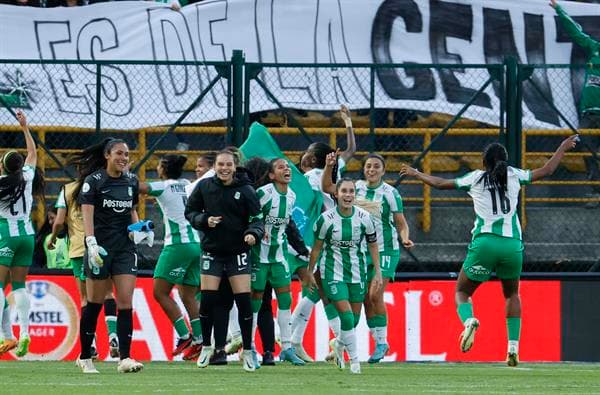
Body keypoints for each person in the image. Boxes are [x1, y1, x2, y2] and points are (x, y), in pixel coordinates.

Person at [400, 135, 578, 367]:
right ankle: (512, 348)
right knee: (512, 294)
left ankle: (469, 321)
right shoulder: (515, 175)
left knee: (462, 292)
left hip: (484, 243)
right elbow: (547, 170)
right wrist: (563, 147)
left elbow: (441, 183)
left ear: (484, 162)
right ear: (505, 161)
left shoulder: (475, 178)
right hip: (511, 244)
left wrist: (417, 174)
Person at [322, 152, 414, 363]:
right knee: (364, 298)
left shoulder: (390, 193)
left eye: (376, 167)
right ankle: (348, 343)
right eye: (368, 166)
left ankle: (381, 342)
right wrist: (329, 167)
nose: (371, 170)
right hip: (362, 252)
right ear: (364, 169)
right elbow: (327, 187)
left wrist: (405, 238)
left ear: (383, 171)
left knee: (374, 294)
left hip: (386, 250)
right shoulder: (356, 188)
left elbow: (401, 222)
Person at [185, 149, 264, 372]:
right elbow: (190, 212)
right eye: (220, 165)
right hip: (212, 251)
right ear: (215, 166)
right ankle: (207, 347)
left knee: (243, 302)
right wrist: (204, 220)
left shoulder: (246, 190)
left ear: (235, 166)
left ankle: (247, 350)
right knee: (208, 301)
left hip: (237, 251)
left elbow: (258, 220)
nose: (224, 168)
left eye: (228, 165)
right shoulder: (204, 186)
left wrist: (253, 234)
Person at [292, 104, 357, 361]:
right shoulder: (333, 169)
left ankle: (291, 338)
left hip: (320, 237)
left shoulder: (312, 177)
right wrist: (348, 123)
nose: (303, 156)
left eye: (307, 153)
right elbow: (351, 149)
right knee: (322, 289)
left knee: (320, 289)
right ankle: (335, 343)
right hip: (330, 237)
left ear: (312, 159)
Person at [75, 138, 144, 374]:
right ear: (107, 155)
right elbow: (87, 215)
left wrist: (139, 231)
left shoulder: (132, 181)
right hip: (100, 249)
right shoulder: (93, 182)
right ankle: (85, 357)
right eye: (119, 153)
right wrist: (91, 243)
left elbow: (132, 210)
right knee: (94, 304)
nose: (124, 158)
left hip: (125, 248)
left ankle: (125, 358)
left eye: (126, 154)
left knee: (125, 301)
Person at [305, 178, 382, 374]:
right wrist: (309, 271)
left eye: (351, 191)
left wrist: (378, 272)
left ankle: (339, 344)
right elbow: (316, 248)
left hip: (357, 273)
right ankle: (355, 362)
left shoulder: (365, 218)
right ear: (336, 194)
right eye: (344, 191)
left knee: (353, 321)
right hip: (332, 272)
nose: (348, 195)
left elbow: (373, 245)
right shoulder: (326, 219)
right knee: (346, 317)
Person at [49, 158, 120, 360]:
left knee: (86, 299)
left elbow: (59, 221)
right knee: (107, 293)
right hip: (101, 246)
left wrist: (53, 238)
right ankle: (114, 336)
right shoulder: (103, 186)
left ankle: (92, 345)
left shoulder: (67, 190)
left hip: (79, 249)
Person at [138, 154, 203, 361]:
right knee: (188, 295)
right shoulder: (186, 184)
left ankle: (184, 335)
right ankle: (200, 340)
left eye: (158, 165)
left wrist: (125, 175)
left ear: (163, 168)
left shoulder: (164, 186)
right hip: (195, 244)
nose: (156, 167)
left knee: (160, 292)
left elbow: (141, 188)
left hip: (177, 245)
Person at [249, 158, 308, 366]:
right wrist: (256, 233)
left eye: (287, 167)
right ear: (272, 175)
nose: (287, 169)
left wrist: (301, 249)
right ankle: (250, 349)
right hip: (259, 256)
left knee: (285, 301)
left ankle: (287, 348)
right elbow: (250, 218)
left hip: (279, 257)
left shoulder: (291, 196)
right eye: (281, 167)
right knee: (255, 302)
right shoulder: (263, 194)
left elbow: (287, 225)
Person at [0, 110, 43, 358]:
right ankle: (24, 332)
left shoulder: (2, 183)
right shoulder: (27, 176)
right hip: (28, 234)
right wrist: (25, 127)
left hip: (6, 234)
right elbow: (33, 153)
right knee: (18, 286)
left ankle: (4, 335)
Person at [551, 0, 600, 207]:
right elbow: (576, 33)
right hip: (589, 114)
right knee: (586, 149)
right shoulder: (595, 47)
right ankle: (596, 192)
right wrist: (559, 10)